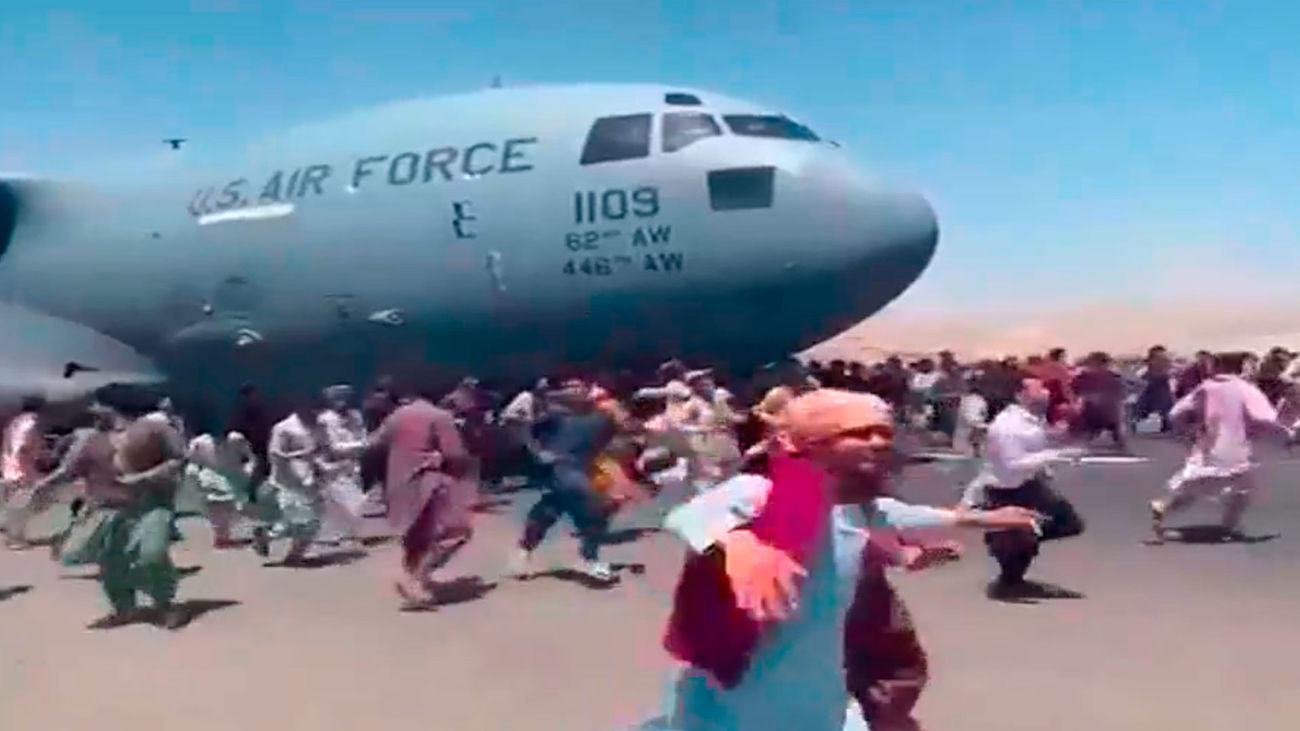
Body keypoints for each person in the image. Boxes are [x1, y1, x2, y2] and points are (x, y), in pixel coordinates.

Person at [635, 389, 1038, 730]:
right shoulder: (764, 490)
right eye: (857, 433)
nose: (878, 443)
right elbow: (690, 515)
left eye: (883, 432)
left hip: (821, 696)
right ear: (798, 444)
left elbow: (903, 513)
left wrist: (983, 519)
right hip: (738, 701)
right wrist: (739, 544)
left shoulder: (852, 505)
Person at [63, 389, 188, 629]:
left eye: (96, 405)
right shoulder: (92, 438)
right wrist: (42, 487)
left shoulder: (155, 429)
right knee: (112, 562)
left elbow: (178, 460)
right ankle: (123, 608)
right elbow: (69, 469)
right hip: (109, 508)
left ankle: (164, 604)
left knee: (152, 555)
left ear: (110, 407)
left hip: (151, 504)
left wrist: (145, 477)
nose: (92, 411)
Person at [1150, 352, 1285, 541]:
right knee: (1244, 488)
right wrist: (1280, 431)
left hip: (1207, 446)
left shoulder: (1206, 387)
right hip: (1234, 448)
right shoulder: (1244, 388)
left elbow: (1176, 413)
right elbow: (1266, 417)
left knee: (1192, 488)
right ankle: (1229, 525)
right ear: (1241, 368)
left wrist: (1186, 430)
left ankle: (1162, 507)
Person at [976, 374, 1086, 595]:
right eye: (1039, 388)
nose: (1046, 391)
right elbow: (1013, 464)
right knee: (1018, 540)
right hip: (1006, 489)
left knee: (1069, 523)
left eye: (1044, 387)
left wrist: (1049, 459)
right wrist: (1055, 455)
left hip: (1030, 483)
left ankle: (1013, 541)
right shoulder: (1008, 425)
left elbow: (1035, 446)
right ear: (1020, 395)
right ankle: (1009, 575)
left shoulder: (1029, 418)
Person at [368, 384, 474, 607]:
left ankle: (412, 581)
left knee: (415, 536)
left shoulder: (396, 416)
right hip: (431, 482)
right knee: (455, 531)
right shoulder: (440, 417)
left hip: (399, 483)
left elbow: (375, 443)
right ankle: (416, 579)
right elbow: (454, 453)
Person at [509, 378, 619, 584]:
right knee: (576, 506)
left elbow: (618, 438)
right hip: (560, 469)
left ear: (588, 390)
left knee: (550, 511)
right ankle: (586, 558)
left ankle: (526, 551)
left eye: (580, 386)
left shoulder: (603, 417)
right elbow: (520, 428)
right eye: (570, 386)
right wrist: (538, 453)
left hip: (587, 469)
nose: (575, 390)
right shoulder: (554, 415)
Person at [264, 400, 323, 565]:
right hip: (289, 481)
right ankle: (275, 541)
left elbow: (321, 450)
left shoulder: (317, 425)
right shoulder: (284, 428)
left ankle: (292, 553)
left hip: (310, 480)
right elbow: (275, 453)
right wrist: (301, 454)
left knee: (310, 520)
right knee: (300, 519)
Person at [184, 431, 258, 548]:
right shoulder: (200, 442)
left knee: (235, 510)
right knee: (216, 511)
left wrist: (248, 471)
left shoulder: (236, 439)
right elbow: (193, 462)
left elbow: (250, 457)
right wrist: (195, 477)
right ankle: (221, 537)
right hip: (210, 480)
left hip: (235, 479)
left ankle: (223, 536)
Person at [315, 385, 369, 546]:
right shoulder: (325, 419)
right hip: (334, 465)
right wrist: (360, 445)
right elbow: (333, 446)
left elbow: (362, 435)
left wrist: (361, 445)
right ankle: (333, 535)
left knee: (357, 500)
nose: (342, 402)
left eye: (345, 398)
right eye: (338, 399)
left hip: (353, 464)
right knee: (337, 502)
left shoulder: (355, 416)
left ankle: (351, 534)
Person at [2, 396, 47, 548]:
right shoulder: (31, 424)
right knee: (20, 507)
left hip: (9, 469)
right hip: (22, 471)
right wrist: (27, 467)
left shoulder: (14, 423)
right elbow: (23, 447)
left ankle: (11, 536)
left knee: (13, 505)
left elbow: (8, 446)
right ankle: (15, 539)